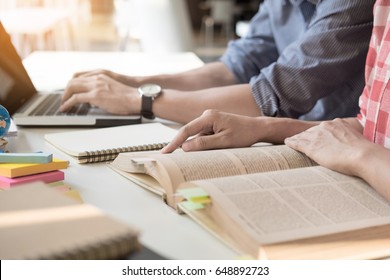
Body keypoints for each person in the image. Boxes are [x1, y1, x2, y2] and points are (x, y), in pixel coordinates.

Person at [161, 0, 390, 203]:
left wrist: (360, 155)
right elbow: (370, 126)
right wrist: (261, 127)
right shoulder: (383, 8)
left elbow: (276, 91)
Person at [60, 0, 374, 124]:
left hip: (338, 147)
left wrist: (138, 100)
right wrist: (132, 83)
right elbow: (235, 67)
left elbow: (271, 97)